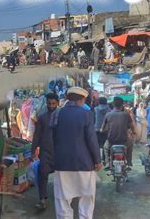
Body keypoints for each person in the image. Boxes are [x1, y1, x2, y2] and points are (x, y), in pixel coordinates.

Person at [52, 87, 102, 219]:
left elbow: (53, 139)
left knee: (62, 200)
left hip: (62, 163)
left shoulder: (57, 113)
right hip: (84, 164)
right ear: (82, 99)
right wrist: (97, 160)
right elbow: (92, 139)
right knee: (87, 198)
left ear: (68, 98)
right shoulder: (86, 114)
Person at [31, 93, 59, 210]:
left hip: (60, 151)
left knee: (63, 177)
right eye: (49, 103)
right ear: (46, 103)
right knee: (43, 174)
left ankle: (64, 199)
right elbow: (37, 135)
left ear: (57, 103)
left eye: (53, 103)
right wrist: (33, 150)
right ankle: (42, 199)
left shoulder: (62, 116)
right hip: (46, 151)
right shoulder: (42, 117)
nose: (51, 106)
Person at [102, 97, 136, 170]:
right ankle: (129, 163)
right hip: (124, 141)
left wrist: (102, 130)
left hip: (111, 141)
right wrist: (134, 132)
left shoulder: (108, 114)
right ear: (122, 105)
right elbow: (132, 126)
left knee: (105, 147)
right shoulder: (126, 115)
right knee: (130, 145)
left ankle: (108, 162)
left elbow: (102, 128)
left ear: (113, 105)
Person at [94, 97, 110, 165]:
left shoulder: (96, 109)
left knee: (96, 145)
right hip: (106, 129)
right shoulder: (109, 109)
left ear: (99, 102)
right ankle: (104, 159)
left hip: (97, 128)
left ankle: (97, 159)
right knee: (105, 145)